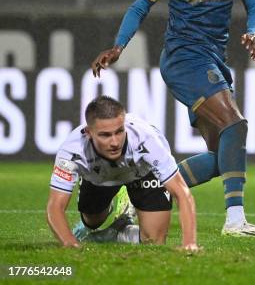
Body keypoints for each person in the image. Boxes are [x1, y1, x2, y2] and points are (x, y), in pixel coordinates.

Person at [90, 0, 255, 238]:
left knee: (223, 156)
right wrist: (119, 45)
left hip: (214, 60)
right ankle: (235, 220)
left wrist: (254, 31)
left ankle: (142, 196)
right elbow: (139, 6)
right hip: (183, 58)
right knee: (235, 125)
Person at [47, 96, 199, 250]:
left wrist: (189, 243)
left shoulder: (147, 139)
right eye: (105, 135)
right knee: (91, 221)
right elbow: (55, 207)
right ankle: (110, 204)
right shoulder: (71, 151)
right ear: (88, 132)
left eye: (119, 131)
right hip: (100, 177)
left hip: (142, 172)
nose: (114, 142)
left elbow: (182, 193)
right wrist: (70, 243)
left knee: (154, 241)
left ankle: (115, 233)